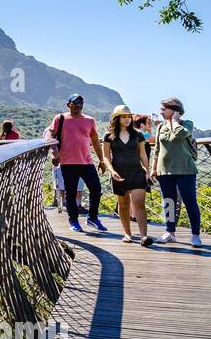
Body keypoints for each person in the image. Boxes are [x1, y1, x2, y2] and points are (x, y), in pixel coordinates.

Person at [50, 93, 109, 233]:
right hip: (68, 162)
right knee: (70, 193)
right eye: (75, 104)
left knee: (96, 189)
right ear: (68, 104)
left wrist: (101, 160)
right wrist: (54, 153)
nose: (78, 107)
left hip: (86, 162)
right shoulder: (61, 118)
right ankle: (74, 221)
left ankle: (93, 218)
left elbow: (95, 141)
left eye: (80, 105)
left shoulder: (89, 120)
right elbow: (51, 137)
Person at [149, 96, 201, 246]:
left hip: (185, 170)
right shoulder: (160, 127)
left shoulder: (187, 124)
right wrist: (153, 169)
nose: (161, 112)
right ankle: (170, 232)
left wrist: (175, 121)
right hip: (164, 171)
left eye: (164, 109)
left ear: (175, 110)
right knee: (169, 202)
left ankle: (195, 235)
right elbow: (157, 149)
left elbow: (179, 135)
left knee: (190, 202)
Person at [103, 105, 153, 246]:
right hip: (119, 173)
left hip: (137, 172)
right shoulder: (109, 136)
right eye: (123, 116)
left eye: (128, 116)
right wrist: (112, 171)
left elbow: (143, 154)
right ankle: (127, 233)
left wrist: (147, 172)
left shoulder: (138, 134)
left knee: (139, 203)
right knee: (123, 204)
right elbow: (106, 157)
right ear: (117, 118)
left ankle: (144, 236)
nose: (127, 119)